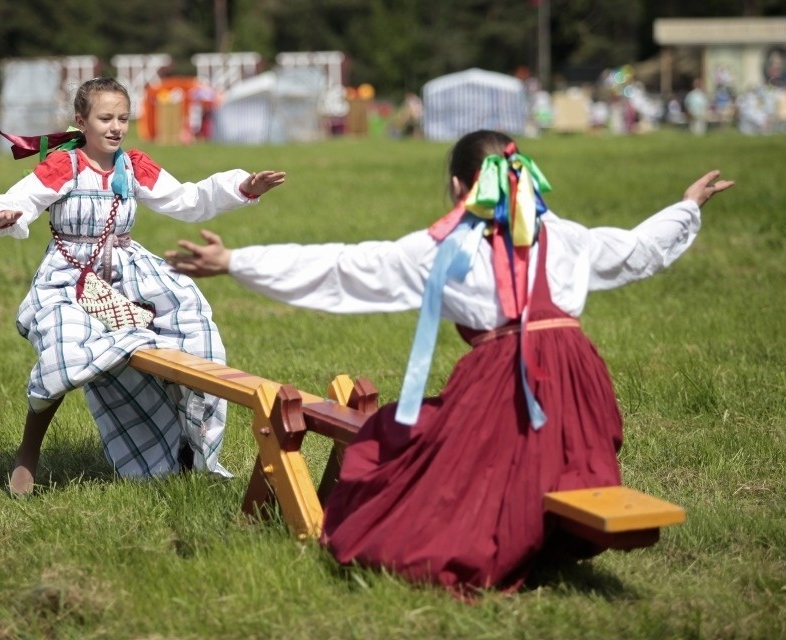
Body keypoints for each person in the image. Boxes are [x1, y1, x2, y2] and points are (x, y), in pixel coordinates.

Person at [164, 129, 733, 598]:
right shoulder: (566, 236)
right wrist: (687, 207)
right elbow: (638, 250)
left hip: (504, 383)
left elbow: (347, 267)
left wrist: (237, 261)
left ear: (460, 186)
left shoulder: (448, 245)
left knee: (396, 449)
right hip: (579, 385)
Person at [0, 77, 285, 495]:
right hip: (70, 277)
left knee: (193, 332)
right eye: (105, 118)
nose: (116, 127)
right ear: (81, 121)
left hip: (127, 275)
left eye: (123, 118)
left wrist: (242, 188)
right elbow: (23, 198)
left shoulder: (133, 165)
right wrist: (6, 214)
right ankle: (27, 455)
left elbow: (188, 200)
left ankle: (189, 449)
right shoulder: (64, 165)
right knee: (65, 350)